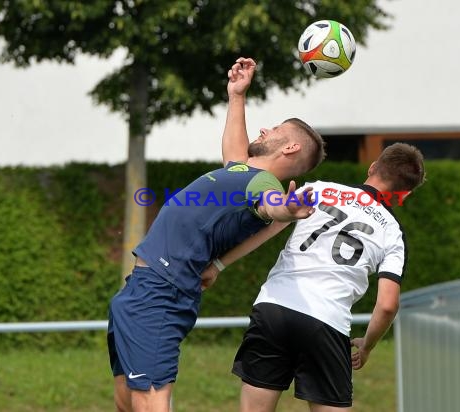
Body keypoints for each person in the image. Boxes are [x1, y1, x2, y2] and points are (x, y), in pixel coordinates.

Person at [107, 57, 326, 412]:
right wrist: (237, 95)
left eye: (274, 130)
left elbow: (272, 208)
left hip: (162, 291)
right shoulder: (243, 172)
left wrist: (287, 209)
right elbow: (236, 155)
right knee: (126, 401)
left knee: (150, 401)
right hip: (141, 287)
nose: (264, 130)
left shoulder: (264, 184)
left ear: (290, 148)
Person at [203, 142, 425, 411]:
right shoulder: (392, 232)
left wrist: (217, 265)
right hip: (328, 322)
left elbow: (266, 229)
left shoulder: (318, 189)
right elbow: (388, 305)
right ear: (405, 195)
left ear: (373, 167)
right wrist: (366, 345)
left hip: (275, 307)